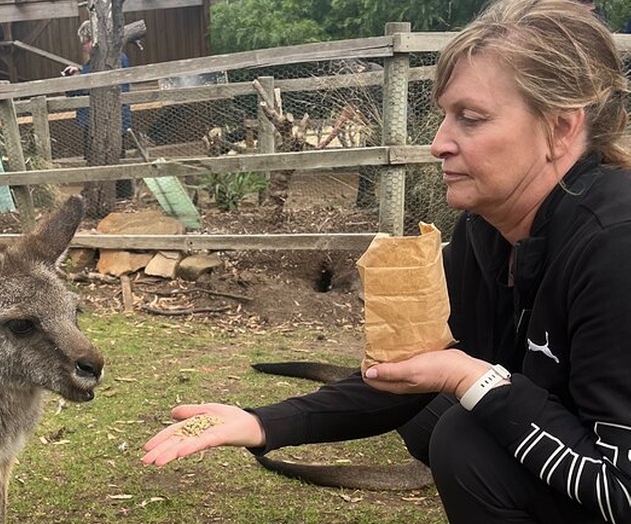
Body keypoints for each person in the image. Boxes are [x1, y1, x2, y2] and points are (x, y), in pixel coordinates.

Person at [142, 1, 631, 523]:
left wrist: (473, 378)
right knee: (436, 418)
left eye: (470, 118)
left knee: (467, 435)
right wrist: (262, 424)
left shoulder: (614, 246)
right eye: (445, 116)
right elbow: (411, 373)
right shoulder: (487, 233)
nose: (438, 143)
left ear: (560, 128)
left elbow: (621, 488)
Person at [63, 20, 133, 198]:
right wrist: (79, 73)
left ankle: (120, 195)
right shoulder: (103, 59)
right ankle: (106, 192)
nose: (84, 47)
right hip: (104, 116)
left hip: (106, 117)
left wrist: (75, 81)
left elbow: (91, 84)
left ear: (92, 40)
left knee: (112, 156)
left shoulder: (107, 59)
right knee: (103, 155)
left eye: (85, 42)